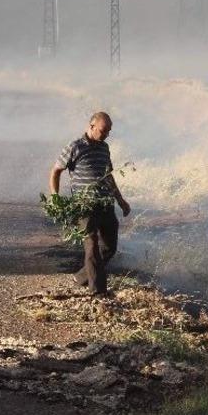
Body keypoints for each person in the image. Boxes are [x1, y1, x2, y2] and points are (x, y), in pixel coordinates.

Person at [49, 111, 131, 296]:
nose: (106, 134)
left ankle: (81, 276)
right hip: (84, 206)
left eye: (109, 131)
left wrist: (120, 200)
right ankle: (99, 293)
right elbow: (55, 171)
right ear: (91, 126)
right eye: (103, 130)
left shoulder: (105, 148)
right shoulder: (75, 146)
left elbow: (108, 176)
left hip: (105, 204)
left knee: (110, 247)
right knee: (92, 245)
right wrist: (55, 197)